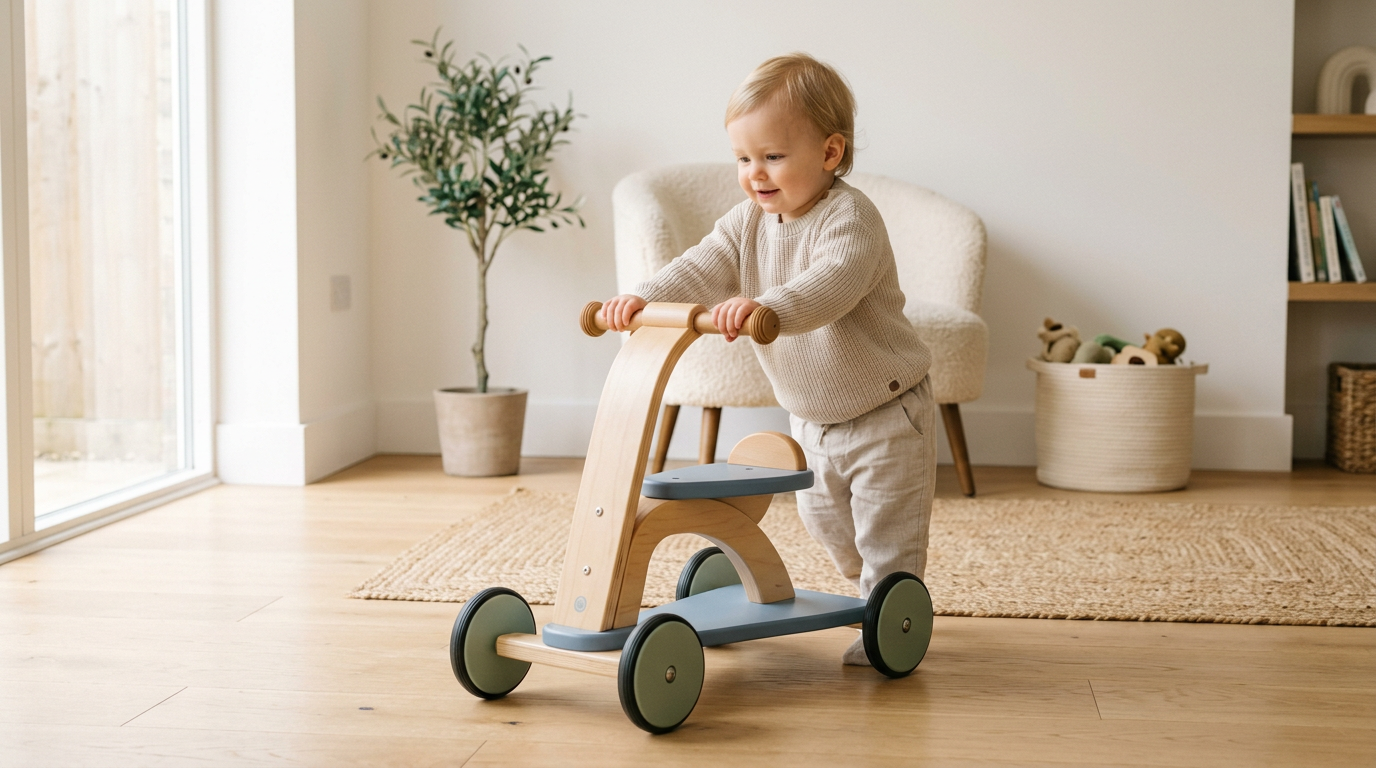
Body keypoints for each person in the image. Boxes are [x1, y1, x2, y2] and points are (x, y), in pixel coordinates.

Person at [601, 53, 935, 666]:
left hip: (888, 413)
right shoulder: (748, 222)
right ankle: (873, 596)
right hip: (812, 420)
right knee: (830, 527)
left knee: (887, 535)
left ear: (830, 154)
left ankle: (890, 615)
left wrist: (765, 307)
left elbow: (831, 285)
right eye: (743, 158)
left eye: (773, 157)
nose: (755, 173)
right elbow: (699, 267)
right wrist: (643, 297)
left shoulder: (851, 219)